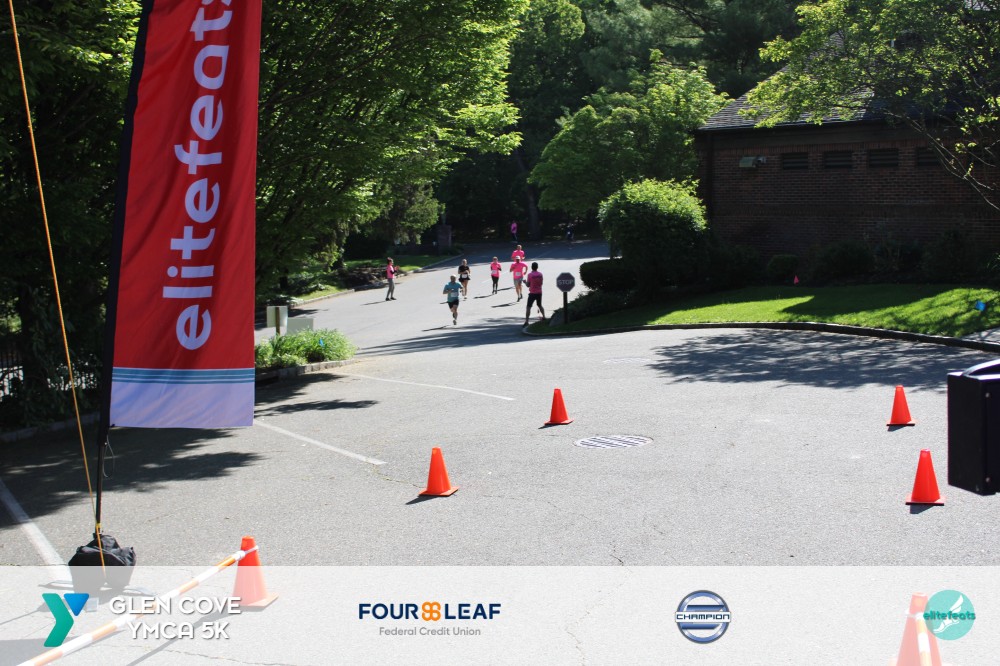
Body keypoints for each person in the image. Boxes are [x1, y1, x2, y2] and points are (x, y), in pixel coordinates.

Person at [523, 261, 545, 326]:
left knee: (528, 307)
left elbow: (528, 285)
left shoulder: (530, 275)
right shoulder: (540, 274)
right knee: (539, 305)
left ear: (531, 267)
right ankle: (544, 317)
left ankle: (527, 321)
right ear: (537, 267)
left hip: (532, 293)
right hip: (539, 292)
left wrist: (525, 282)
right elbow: (541, 283)